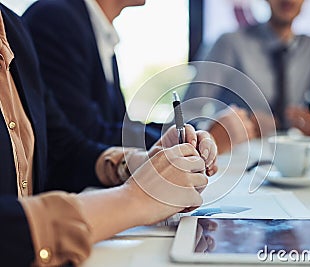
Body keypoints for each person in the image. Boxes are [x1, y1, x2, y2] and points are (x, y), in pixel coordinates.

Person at [0, 3, 217, 266]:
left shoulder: (12, 28)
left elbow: (60, 147)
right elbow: (89, 126)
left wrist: (134, 163)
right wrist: (134, 199)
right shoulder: (54, 18)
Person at [184, 0, 310, 153]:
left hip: (295, 159)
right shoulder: (230, 44)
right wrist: (224, 129)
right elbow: (185, 115)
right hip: (238, 164)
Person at [22, 0, 162, 149]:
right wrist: (171, 140)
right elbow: (84, 134)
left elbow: (116, 125)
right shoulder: (56, 18)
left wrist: (177, 133)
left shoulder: (99, 32)